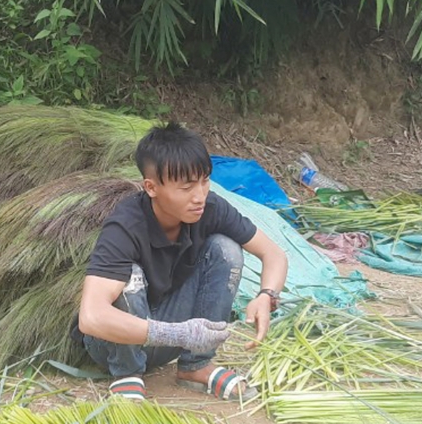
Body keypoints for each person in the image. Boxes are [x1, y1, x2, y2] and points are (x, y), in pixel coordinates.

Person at [74, 122, 289, 401]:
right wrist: (178, 334)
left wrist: (267, 296)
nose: (199, 196)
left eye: (204, 181)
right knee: (129, 276)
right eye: (186, 187)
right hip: (113, 343)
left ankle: (196, 365)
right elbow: (90, 318)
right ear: (151, 187)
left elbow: (274, 254)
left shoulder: (211, 208)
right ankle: (127, 373)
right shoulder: (124, 226)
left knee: (226, 248)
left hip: (170, 336)